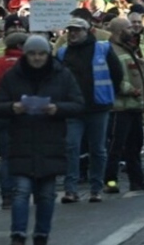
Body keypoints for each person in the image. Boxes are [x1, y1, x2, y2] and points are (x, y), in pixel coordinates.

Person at [0, 34, 84, 245]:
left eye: (41, 53)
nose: (37, 58)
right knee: (21, 192)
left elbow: (78, 104)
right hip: (21, 140)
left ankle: (42, 234)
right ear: (26, 54)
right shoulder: (12, 76)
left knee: (46, 194)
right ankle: (18, 234)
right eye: (32, 53)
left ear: (47, 54)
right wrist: (13, 108)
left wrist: (57, 108)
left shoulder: (62, 75)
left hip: (50, 141)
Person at [56, 17, 124, 203]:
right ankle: (71, 190)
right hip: (73, 110)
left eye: (77, 30)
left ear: (88, 32)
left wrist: (109, 94)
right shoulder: (62, 53)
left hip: (98, 107)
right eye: (70, 31)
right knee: (71, 147)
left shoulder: (103, 49)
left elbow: (117, 73)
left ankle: (96, 188)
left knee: (98, 149)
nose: (73, 34)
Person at [104, 18, 144, 193]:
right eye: (129, 28)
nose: (133, 31)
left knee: (135, 145)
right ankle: (109, 180)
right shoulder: (112, 51)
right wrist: (130, 90)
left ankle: (137, 180)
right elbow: (114, 78)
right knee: (115, 146)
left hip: (135, 106)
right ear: (119, 31)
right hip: (120, 107)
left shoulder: (129, 49)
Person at [0, 32, 28, 207]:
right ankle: (23, 191)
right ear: (20, 47)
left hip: (2, 114)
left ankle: (7, 196)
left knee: (7, 157)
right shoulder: (29, 64)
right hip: (26, 115)